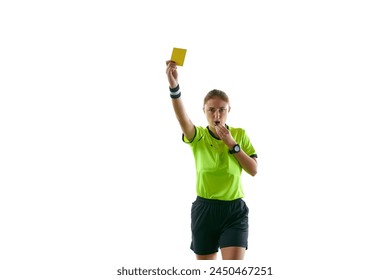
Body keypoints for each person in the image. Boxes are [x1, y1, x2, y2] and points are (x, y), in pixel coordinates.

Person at [165, 60, 258, 260]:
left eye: (222, 109)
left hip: (234, 210)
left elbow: (253, 170)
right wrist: (174, 86)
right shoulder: (198, 136)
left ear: (228, 110)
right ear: (204, 111)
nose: (217, 114)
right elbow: (182, 119)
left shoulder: (240, 135)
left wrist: (232, 144)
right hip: (205, 210)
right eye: (211, 110)